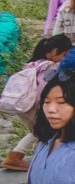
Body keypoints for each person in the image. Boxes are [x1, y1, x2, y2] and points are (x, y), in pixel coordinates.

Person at [1, 36, 69, 174]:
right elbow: (44, 89)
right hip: (35, 105)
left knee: (36, 132)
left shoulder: (33, 64)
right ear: (55, 51)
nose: (64, 58)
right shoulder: (49, 66)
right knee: (46, 132)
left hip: (23, 105)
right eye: (64, 54)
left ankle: (15, 156)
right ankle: (40, 159)